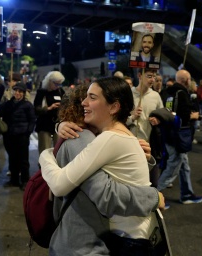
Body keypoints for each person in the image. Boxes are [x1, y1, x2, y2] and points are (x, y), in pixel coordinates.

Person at [40, 77, 167, 255]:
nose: (85, 102)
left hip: (128, 238)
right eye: (85, 98)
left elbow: (64, 186)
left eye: (92, 97)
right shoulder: (116, 135)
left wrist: (45, 155)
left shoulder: (108, 138)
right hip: (137, 234)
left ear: (114, 107)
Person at [157, 69, 202, 204]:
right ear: (187, 80)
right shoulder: (182, 93)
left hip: (167, 133)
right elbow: (184, 115)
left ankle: (187, 194)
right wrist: (195, 116)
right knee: (172, 169)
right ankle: (153, 197)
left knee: (184, 166)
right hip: (179, 136)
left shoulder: (166, 92)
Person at [1, 83, 35, 190]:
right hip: (10, 135)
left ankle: (25, 180)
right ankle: (14, 180)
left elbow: (32, 120)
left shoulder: (27, 105)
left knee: (23, 159)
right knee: (12, 158)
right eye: (15, 91)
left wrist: (27, 132)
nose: (17, 93)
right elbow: (1, 113)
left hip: (22, 136)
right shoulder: (8, 104)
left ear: (24, 94)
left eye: (20, 91)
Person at [34, 71, 65, 155]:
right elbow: (36, 109)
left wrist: (62, 106)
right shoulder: (41, 92)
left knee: (59, 149)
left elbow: (66, 103)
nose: (57, 86)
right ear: (49, 81)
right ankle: (43, 167)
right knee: (45, 150)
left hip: (57, 124)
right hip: (44, 124)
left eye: (59, 84)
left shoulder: (60, 91)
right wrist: (49, 108)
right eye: (56, 84)